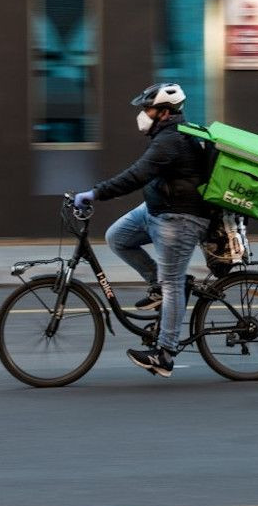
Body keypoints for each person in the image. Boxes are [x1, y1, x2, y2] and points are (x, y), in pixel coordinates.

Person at [73, 83, 211, 378]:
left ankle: (165, 354)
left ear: (163, 112)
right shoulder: (167, 135)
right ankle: (159, 285)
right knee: (117, 237)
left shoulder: (171, 140)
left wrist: (95, 193)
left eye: (146, 109)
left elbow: (137, 175)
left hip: (180, 218)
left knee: (172, 281)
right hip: (159, 209)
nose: (142, 115)